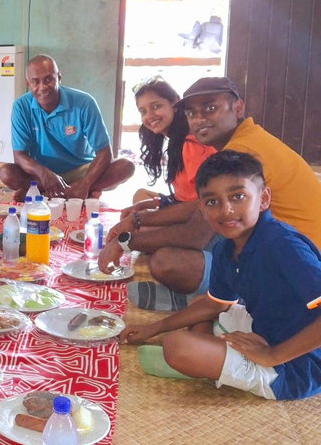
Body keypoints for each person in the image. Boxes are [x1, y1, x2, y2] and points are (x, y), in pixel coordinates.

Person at [100, 77, 321, 311]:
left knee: (166, 262)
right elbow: (199, 205)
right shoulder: (245, 140)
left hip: (298, 270)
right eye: (192, 113)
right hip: (275, 245)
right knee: (162, 237)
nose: (200, 119)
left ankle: (226, 301)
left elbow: (194, 235)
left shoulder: (243, 151)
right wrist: (137, 220)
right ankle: (212, 298)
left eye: (210, 108)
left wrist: (125, 243)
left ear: (237, 108)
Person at [120, 151, 321, 401]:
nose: (226, 210)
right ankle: (212, 358)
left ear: (264, 199)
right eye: (212, 202)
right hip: (263, 328)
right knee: (201, 304)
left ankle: (209, 361)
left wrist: (272, 355)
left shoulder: (282, 245)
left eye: (238, 196)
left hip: (297, 366)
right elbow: (217, 303)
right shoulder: (225, 249)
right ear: (202, 210)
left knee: (176, 346)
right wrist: (152, 328)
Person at [0, 54, 134, 201]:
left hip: (82, 169)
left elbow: (104, 152)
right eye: (35, 82)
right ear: (28, 84)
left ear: (59, 78)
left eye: (48, 79)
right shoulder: (21, 107)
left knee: (126, 167)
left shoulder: (84, 103)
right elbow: (19, 156)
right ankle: (76, 192)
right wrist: (43, 173)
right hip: (43, 174)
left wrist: (86, 181)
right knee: (6, 173)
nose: (42, 87)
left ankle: (48, 194)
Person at [106, 77, 216, 244]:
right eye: (143, 111)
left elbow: (200, 205)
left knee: (138, 229)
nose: (149, 116)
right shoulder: (176, 140)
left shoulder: (190, 144)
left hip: (201, 220)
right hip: (184, 206)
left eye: (156, 106)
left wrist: (139, 218)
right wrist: (146, 206)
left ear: (175, 104)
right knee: (140, 197)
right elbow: (181, 197)